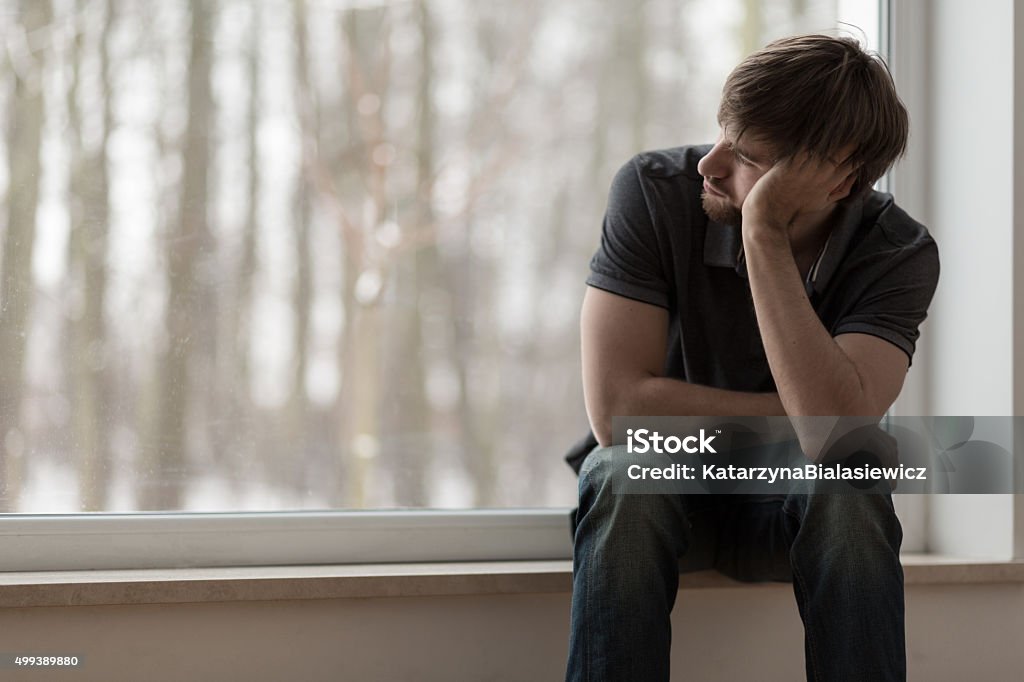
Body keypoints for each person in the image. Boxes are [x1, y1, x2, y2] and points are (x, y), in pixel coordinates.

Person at [563, 34, 940, 682]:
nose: (709, 164)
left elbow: (832, 446)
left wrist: (761, 232)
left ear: (835, 179)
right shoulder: (654, 193)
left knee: (851, 479)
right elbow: (619, 410)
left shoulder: (897, 252)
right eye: (721, 135)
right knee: (622, 468)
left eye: (744, 156)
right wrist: (796, 418)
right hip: (667, 496)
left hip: (793, 513)